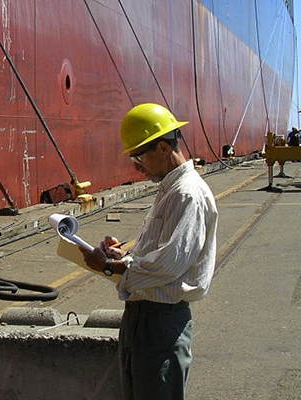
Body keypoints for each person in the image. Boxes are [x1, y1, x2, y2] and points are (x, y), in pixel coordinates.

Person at [81, 103, 219, 400]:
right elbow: (161, 254)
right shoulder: (171, 189)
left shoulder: (187, 193)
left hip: (161, 323)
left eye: (138, 156)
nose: (136, 166)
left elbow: (169, 265)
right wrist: (122, 258)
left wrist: (108, 266)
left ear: (161, 148)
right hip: (143, 318)